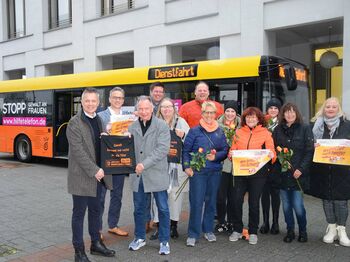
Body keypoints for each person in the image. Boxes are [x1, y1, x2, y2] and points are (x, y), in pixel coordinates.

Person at [66, 88, 115, 262]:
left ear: (98, 102)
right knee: (79, 214)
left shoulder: (100, 120)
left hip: (99, 178)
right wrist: (95, 170)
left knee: (96, 211)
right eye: (87, 101)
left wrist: (112, 136)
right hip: (82, 177)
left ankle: (96, 244)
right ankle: (78, 251)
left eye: (94, 101)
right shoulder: (74, 122)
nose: (90, 104)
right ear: (82, 102)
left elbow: (100, 144)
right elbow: (78, 152)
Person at [128, 96, 171, 255]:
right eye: (141, 109)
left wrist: (143, 164)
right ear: (137, 110)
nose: (144, 112)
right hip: (138, 176)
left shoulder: (161, 126)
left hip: (156, 174)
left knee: (163, 209)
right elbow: (125, 149)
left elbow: (162, 149)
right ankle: (139, 237)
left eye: (147, 108)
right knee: (139, 209)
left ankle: (164, 240)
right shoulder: (131, 127)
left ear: (152, 108)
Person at [183, 101, 228, 247]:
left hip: (214, 172)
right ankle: (193, 233)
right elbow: (185, 150)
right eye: (206, 112)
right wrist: (186, 167)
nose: (209, 115)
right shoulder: (195, 131)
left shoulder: (220, 131)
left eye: (211, 113)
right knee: (196, 202)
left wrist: (216, 156)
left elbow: (225, 150)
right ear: (202, 114)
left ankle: (208, 230)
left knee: (211, 202)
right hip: (198, 173)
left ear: (215, 114)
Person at [229, 107, 276, 245]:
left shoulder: (266, 133)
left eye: (253, 117)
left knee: (254, 203)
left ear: (258, 119)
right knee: (236, 200)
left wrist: (272, 155)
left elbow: (271, 151)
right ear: (245, 119)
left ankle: (253, 231)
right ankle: (237, 229)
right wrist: (230, 154)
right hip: (240, 171)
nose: (251, 119)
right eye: (248, 117)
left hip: (258, 174)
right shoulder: (238, 132)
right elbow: (233, 150)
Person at [309, 97, 350, 246]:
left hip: (342, 171)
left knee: (341, 201)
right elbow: (309, 145)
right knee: (327, 199)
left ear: (338, 109)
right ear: (323, 109)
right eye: (328, 107)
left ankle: (342, 230)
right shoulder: (315, 126)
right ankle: (331, 228)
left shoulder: (347, 125)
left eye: (334, 107)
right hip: (323, 169)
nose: (331, 109)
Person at [272, 103, 314, 243]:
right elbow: (274, 151)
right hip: (283, 176)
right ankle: (290, 231)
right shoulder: (277, 130)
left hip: (298, 176)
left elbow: (309, 151)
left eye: (292, 112)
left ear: (296, 113)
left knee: (298, 206)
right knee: (286, 206)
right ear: (283, 115)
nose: (289, 115)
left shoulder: (305, 129)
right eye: (286, 112)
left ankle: (303, 231)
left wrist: (300, 169)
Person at [153, 97, 190, 239]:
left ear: (174, 109)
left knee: (175, 196)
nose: (166, 109)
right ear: (160, 110)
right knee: (158, 196)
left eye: (169, 107)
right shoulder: (155, 123)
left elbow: (190, 140)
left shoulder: (181, 122)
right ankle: (159, 226)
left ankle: (173, 225)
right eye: (163, 107)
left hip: (176, 166)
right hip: (159, 166)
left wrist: (184, 135)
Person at [97, 87, 129, 238]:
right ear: (109, 99)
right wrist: (104, 133)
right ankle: (97, 229)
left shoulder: (127, 117)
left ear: (123, 100)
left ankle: (113, 225)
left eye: (120, 98)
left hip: (120, 161)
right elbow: (95, 138)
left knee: (117, 195)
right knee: (101, 197)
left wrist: (129, 135)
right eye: (115, 97)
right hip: (105, 162)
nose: (118, 100)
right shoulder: (100, 116)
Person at [215, 100, 241, 233]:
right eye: (228, 111)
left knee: (233, 196)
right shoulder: (216, 125)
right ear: (224, 112)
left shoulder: (242, 126)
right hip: (221, 166)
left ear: (236, 113)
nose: (230, 114)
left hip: (236, 167)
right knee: (220, 196)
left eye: (233, 111)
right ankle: (221, 221)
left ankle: (231, 221)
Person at [260, 98, 282, 234]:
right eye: (270, 108)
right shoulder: (262, 124)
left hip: (277, 164)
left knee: (275, 194)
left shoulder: (282, 124)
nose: (273, 110)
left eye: (275, 108)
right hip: (263, 163)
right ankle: (265, 222)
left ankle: (275, 222)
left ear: (279, 110)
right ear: (267, 110)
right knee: (264, 194)